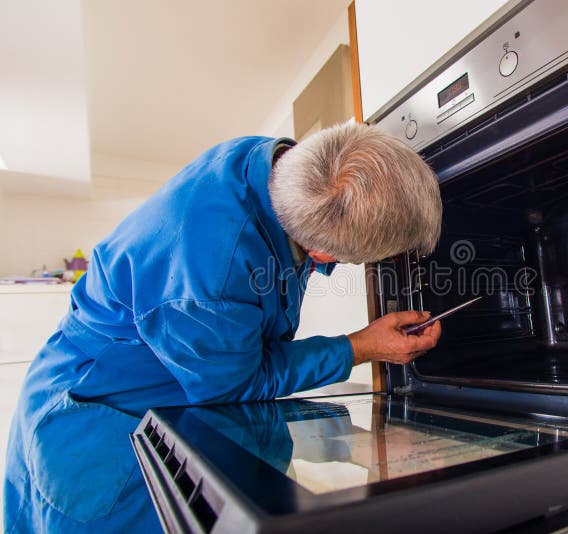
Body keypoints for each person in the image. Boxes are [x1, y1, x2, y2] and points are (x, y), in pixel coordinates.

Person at [2, 122, 443, 532]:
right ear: (322, 254)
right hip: (98, 431)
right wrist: (359, 347)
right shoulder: (209, 281)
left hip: (159, 374)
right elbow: (237, 384)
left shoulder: (278, 166)